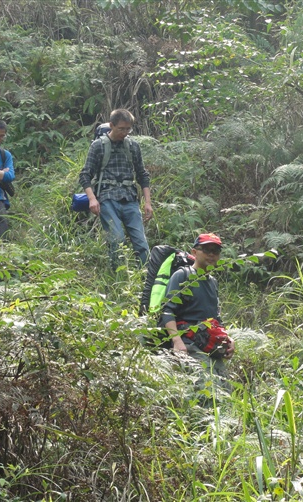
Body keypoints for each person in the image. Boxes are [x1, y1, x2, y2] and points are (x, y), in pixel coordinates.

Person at [160, 233, 236, 393]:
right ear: (194, 252)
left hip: (211, 345)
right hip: (189, 344)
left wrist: (228, 339)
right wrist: (177, 341)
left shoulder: (213, 282)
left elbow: (215, 317)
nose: (211, 254)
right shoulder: (182, 275)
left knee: (226, 390)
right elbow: (167, 310)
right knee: (206, 390)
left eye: (215, 251)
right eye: (207, 250)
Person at [78, 109, 153, 270]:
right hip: (107, 198)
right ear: (111, 125)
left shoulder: (133, 146)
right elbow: (85, 175)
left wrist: (148, 202)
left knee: (141, 242)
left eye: (128, 129)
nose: (125, 133)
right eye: (121, 129)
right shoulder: (98, 146)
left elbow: (142, 175)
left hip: (130, 199)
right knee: (117, 239)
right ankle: (118, 276)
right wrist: (92, 199)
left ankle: (147, 276)